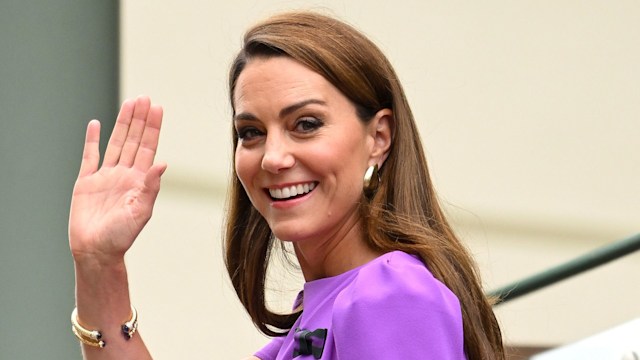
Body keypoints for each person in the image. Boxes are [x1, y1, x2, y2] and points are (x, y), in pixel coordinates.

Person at [68, 11, 504, 360]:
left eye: (306, 124)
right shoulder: (321, 315)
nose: (274, 157)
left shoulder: (389, 298)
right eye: (251, 132)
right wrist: (99, 264)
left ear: (379, 137)